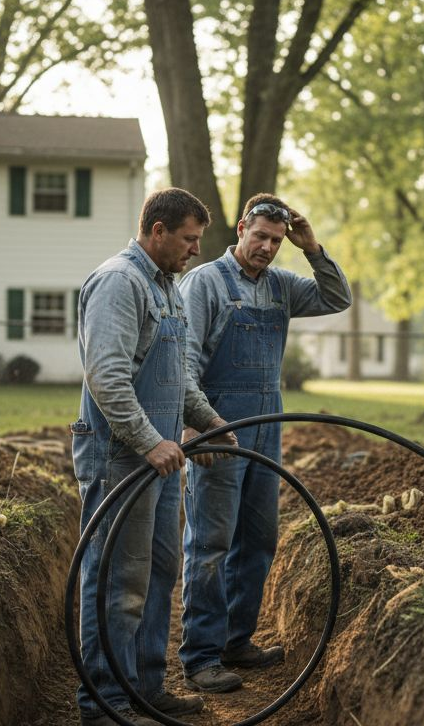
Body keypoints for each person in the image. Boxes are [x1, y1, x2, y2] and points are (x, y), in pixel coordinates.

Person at [72, 187, 237, 726]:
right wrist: (148, 441)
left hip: (160, 457)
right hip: (122, 456)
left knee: (159, 573)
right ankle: (105, 703)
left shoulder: (165, 286)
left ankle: (143, 688)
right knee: (119, 580)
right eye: (189, 239)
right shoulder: (120, 282)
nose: (195, 250)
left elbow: (178, 378)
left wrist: (207, 420)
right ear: (158, 230)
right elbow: (107, 378)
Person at [177, 193, 352, 693]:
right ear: (240, 230)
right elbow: (184, 360)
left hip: (267, 427)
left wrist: (312, 249)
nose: (268, 248)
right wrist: (194, 425)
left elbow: (336, 298)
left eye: (277, 241)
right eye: (261, 237)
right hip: (217, 426)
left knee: (258, 538)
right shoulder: (205, 283)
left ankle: (237, 641)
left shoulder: (282, 286)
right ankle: (200, 655)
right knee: (211, 542)